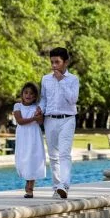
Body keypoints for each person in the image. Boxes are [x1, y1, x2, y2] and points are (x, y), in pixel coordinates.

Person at [39, 47, 79, 199]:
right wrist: (40, 110)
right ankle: (57, 187)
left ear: (65, 62)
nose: (54, 65)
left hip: (67, 119)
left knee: (64, 153)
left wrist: (61, 80)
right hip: (50, 119)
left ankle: (64, 185)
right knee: (53, 156)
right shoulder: (45, 79)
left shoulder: (73, 80)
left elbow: (73, 99)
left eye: (57, 62)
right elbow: (44, 98)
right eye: (52, 62)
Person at [13, 83, 46, 198]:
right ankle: (27, 181)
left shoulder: (36, 107)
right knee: (24, 159)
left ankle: (30, 188)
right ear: (22, 94)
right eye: (26, 92)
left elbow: (41, 122)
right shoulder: (17, 106)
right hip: (23, 136)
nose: (28, 95)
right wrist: (34, 118)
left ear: (35, 96)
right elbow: (20, 121)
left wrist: (39, 114)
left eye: (31, 93)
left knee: (33, 159)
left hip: (34, 136)